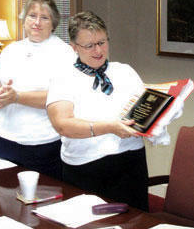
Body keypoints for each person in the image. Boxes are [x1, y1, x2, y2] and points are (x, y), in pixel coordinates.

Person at [47, 11, 149, 211]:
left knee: (136, 224)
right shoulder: (63, 78)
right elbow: (63, 124)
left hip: (130, 163)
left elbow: (144, 110)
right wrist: (109, 127)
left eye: (102, 42)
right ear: (74, 47)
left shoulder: (125, 71)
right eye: (89, 45)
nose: (98, 51)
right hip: (86, 167)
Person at [0, 0, 75, 179]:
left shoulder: (64, 53)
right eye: (32, 16)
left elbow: (60, 99)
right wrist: (1, 93)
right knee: (6, 200)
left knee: (44, 202)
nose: (37, 22)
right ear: (24, 20)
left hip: (44, 144)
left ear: (53, 23)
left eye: (44, 18)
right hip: (4, 140)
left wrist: (16, 97)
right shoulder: (11, 50)